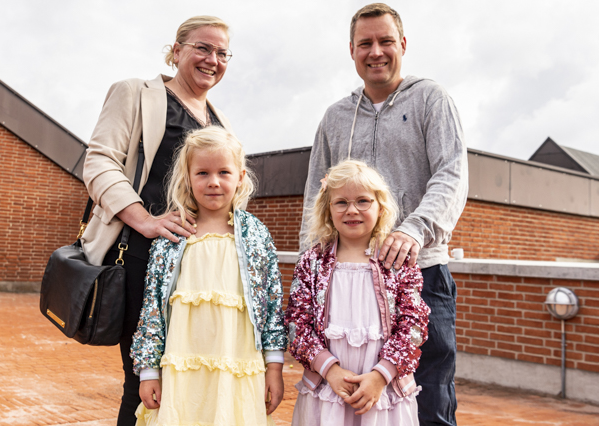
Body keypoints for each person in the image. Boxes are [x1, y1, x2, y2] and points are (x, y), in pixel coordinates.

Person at [300, 4, 468, 425]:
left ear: (403, 45)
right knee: (341, 404)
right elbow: (314, 195)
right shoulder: (335, 118)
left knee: (428, 401)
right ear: (352, 51)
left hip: (420, 273)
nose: (376, 51)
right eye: (365, 43)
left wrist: (413, 230)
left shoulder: (433, 99)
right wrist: (313, 264)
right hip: (342, 285)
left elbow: (451, 175)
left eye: (386, 41)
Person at [81, 16, 237, 425]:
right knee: (144, 383)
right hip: (142, 257)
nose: (212, 59)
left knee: (192, 378)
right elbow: (98, 162)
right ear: (177, 49)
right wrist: (144, 220)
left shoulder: (219, 122)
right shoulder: (137, 93)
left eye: (222, 53)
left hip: (199, 270)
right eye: (203, 48)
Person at [130, 126, 287, 425]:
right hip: (181, 369)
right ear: (187, 177)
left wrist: (275, 368)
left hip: (237, 365)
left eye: (224, 173)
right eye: (202, 173)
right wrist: (149, 371)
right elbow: (151, 308)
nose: (213, 182)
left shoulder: (256, 235)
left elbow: (272, 305)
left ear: (240, 177)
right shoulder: (171, 236)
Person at [287, 160, 430, 425]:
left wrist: (381, 376)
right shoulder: (312, 261)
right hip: (327, 389)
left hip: (382, 391)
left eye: (363, 201)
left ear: (380, 206)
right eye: (341, 202)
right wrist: (330, 370)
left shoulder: (397, 262)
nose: (352, 210)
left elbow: (414, 326)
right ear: (328, 209)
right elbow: (298, 323)